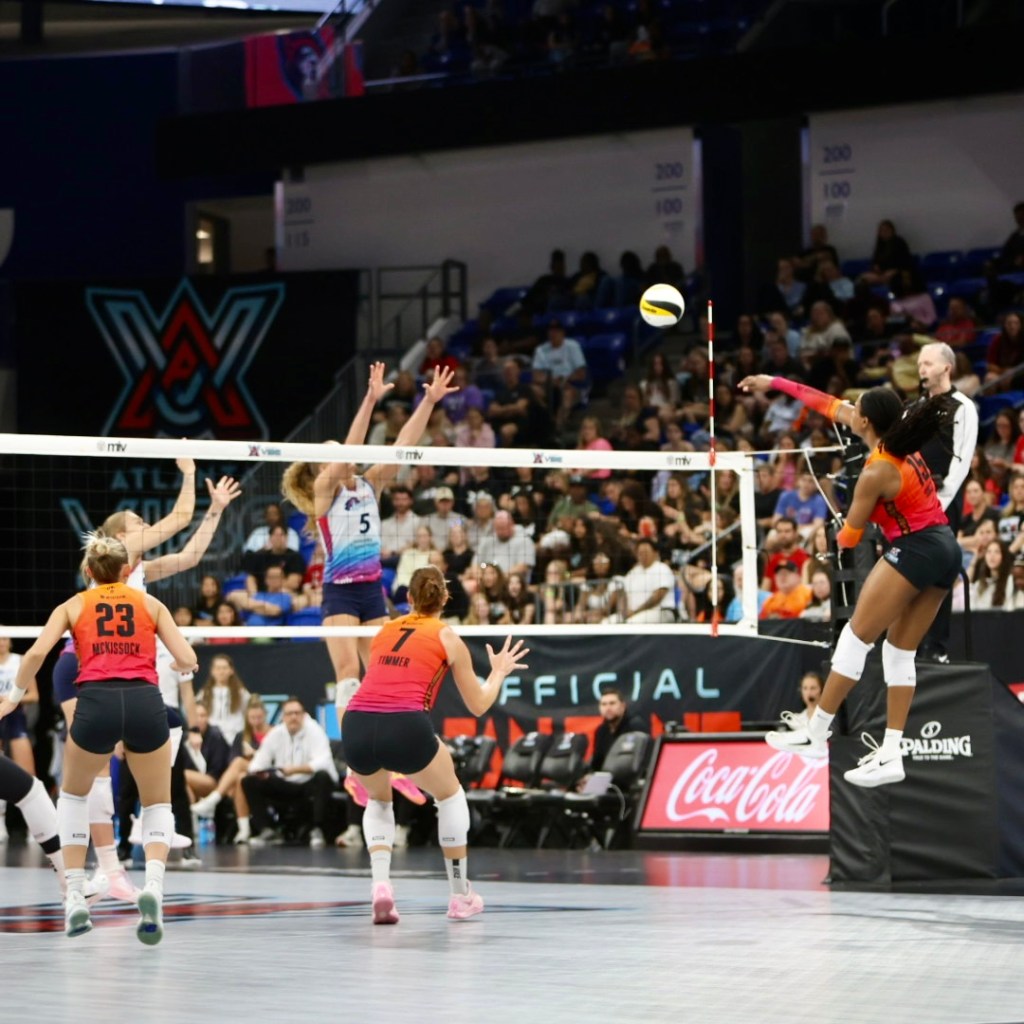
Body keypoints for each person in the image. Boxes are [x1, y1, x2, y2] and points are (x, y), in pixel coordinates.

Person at [740, 372, 961, 788]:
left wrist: (836, 517)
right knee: (898, 654)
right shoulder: (897, 438)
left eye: (854, 409)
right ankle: (892, 752)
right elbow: (824, 401)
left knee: (855, 639)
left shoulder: (877, 469)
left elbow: (850, 538)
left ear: (864, 422)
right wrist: (773, 382)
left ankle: (815, 730)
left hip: (917, 547)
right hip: (945, 546)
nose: (847, 411)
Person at [51, 465, 241, 896]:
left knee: (167, 727)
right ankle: (104, 867)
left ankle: (142, 831)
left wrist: (215, 510)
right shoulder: (120, 547)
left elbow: (190, 557)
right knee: (93, 775)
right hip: (80, 667)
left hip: (117, 676)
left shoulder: (135, 570)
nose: (144, 526)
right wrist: (189, 475)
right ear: (118, 535)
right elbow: (175, 521)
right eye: (138, 521)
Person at [4, 532, 199, 941]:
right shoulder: (150, 603)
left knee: (73, 797)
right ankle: (155, 889)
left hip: (96, 702)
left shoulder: (75, 604)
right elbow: (187, 658)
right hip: (146, 703)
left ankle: (75, 894)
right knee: (158, 801)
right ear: (127, 571)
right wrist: (184, 668)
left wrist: (14, 697)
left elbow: (38, 653)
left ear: (89, 571)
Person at [342, 565, 528, 923]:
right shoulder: (447, 636)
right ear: (445, 598)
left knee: (379, 800)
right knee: (451, 795)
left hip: (356, 724)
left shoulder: (384, 631)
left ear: (409, 599)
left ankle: (381, 887)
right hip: (405, 724)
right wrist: (498, 672)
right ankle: (460, 895)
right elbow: (478, 704)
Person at [281, 362, 457, 718]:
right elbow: (350, 448)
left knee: (382, 674)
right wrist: (370, 400)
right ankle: (353, 763)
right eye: (330, 455)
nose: (340, 456)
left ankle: (383, 755)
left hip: (371, 589)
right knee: (348, 676)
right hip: (340, 590)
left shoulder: (369, 483)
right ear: (321, 469)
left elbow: (405, 444)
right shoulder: (322, 492)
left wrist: (429, 402)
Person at [914, 341, 979, 661]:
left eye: (927, 363)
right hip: (911, 501)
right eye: (920, 363)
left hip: (942, 501)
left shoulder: (962, 407)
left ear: (946, 367)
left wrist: (939, 502)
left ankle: (936, 646)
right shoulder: (913, 408)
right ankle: (906, 643)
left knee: (938, 571)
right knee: (910, 573)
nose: (921, 368)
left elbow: (961, 461)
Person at [240, 696, 337, 849]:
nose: (293, 717)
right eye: (289, 714)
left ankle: (317, 829)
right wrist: (260, 772)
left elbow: (324, 761)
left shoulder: (315, 731)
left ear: (303, 715)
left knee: (322, 776)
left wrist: (296, 769)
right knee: (249, 780)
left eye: (297, 713)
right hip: (284, 783)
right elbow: (257, 762)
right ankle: (267, 830)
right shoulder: (276, 733)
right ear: (283, 717)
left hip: (308, 783)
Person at [191, 695, 270, 844]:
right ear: (247, 717)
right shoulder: (241, 736)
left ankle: (214, 799)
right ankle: (244, 830)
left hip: (267, 774)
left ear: (265, 715)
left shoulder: (273, 733)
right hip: (246, 779)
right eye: (252, 717)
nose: (256, 721)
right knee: (240, 777)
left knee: (240, 763)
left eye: (259, 717)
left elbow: (275, 759)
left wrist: (254, 756)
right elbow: (231, 761)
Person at [0, 632, 36, 842]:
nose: (2, 642)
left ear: (10, 640)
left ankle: (35, 827)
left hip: (15, 718)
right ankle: (2, 825)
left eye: (4, 638)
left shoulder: (20, 661)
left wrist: (11, 699)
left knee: (28, 773)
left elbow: (35, 695)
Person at [589, 688, 648, 773]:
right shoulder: (601, 731)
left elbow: (644, 761)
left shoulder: (636, 726)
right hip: (606, 779)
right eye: (603, 704)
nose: (608, 708)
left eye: (612, 703)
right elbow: (596, 763)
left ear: (623, 706)